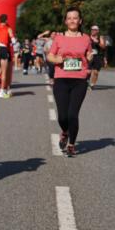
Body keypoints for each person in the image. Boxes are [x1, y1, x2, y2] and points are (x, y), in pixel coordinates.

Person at [48, 9, 92, 157]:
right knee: (62, 117)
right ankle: (65, 132)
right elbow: (50, 56)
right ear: (65, 21)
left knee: (73, 114)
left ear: (80, 21)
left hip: (79, 80)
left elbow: (88, 55)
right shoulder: (59, 38)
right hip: (61, 79)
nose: (72, 21)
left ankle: (72, 144)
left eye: (75, 18)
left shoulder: (86, 38)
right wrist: (57, 60)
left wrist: (90, 57)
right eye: (69, 18)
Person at [0, 13, 15, 98]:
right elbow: (13, 40)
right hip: (4, 48)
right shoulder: (8, 28)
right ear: (6, 20)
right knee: (4, 72)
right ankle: (2, 90)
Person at [87, 24, 108, 90]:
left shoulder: (100, 37)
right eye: (92, 30)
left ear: (97, 31)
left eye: (94, 30)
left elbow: (103, 47)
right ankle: (87, 82)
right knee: (88, 71)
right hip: (89, 55)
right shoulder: (87, 37)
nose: (93, 31)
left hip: (98, 56)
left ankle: (92, 84)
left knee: (96, 72)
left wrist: (97, 42)